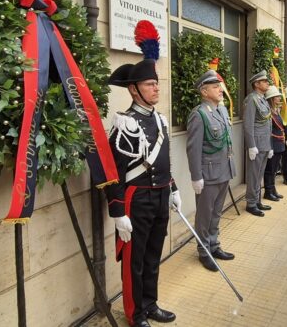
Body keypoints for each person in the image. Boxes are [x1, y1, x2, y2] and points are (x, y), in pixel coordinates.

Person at [105, 20, 179, 327]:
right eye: (150, 85)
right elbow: (112, 173)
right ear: (134, 90)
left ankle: (150, 304)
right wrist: (118, 211)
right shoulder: (124, 124)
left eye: (157, 83)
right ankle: (135, 315)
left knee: (152, 257)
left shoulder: (161, 121)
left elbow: (163, 161)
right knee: (134, 262)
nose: (156, 88)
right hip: (136, 202)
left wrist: (173, 189)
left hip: (160, 196)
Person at [185, 70, 235, 272]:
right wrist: (196, 177)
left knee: (216, 212)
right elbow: (193, 148)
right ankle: (204, 250)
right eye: (215, 87)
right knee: (204, 215)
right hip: (208, 174)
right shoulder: (199, 114)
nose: (220, 89)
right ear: (204, 92)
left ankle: (214, 245)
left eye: (219, 86)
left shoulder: (221, 111)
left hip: (224, 170)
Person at [242, 71, 272, 217]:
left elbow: (268, 123)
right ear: (257, 84)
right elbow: (248, 125)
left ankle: (257, 200)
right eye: (264, 81)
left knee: (259, 174)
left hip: (265, 143)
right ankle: (251, 203)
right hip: (257, 144)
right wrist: (251, 145)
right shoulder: (251, 100)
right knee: (254, 175)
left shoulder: (263, 99)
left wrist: (270, 144)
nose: (267, 83)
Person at [263, 86, 286, 202]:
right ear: (271, 98)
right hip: (273, 144)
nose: (279, 98)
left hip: (279, 143)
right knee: (270, 170)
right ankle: (268, 191)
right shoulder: (269, 112)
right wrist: (270, 147)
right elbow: (268, 131)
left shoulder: (275, 110)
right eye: (276, 96)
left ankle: (273, 189)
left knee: (275, 169)